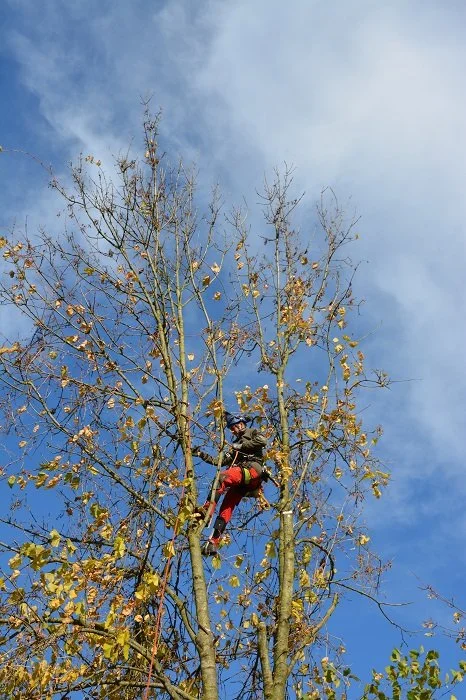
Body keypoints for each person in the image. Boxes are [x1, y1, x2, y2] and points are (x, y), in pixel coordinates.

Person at [194, 412, 267, 555]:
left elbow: (262, 441)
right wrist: (200, 454)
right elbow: (219, 462)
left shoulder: (251, 432)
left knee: (221, 478)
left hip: (251, 469)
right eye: (231, 428)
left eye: (233, 427)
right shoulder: (234, 446)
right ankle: (213, 542)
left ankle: (206, 510)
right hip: (241, 483)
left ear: (240, 424)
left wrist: (241, 446)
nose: (232, 431)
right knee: (226, 508)